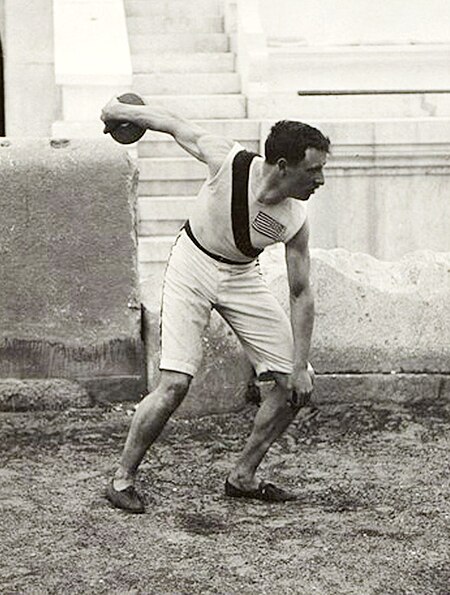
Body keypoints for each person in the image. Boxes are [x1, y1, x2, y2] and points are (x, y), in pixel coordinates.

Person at [101, 97, 330, 513]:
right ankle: (122, 480)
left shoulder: (295, 220)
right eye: (313, 170)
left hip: (242, 276)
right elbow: (171, 121)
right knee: (174, 385)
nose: (321, 180)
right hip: (193, 263)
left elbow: (301, 293)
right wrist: (118, 111)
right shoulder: (227, 160)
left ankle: (243, 476)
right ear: (282, 165)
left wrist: (298, 365)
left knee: (296, 384)